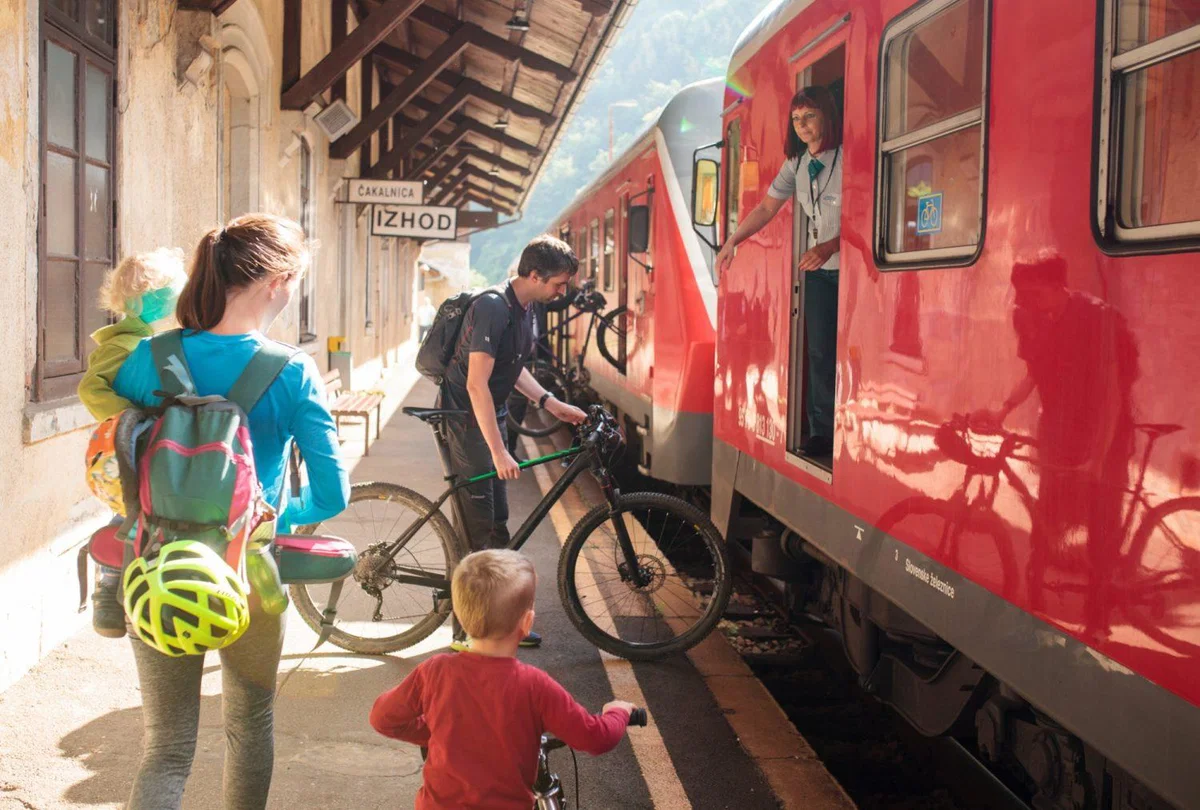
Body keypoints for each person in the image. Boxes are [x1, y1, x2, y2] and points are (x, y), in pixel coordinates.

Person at [112, 214, 351, 810]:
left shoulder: (150, 357)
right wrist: (271, 519)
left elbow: (116, 456)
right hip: (248, 577)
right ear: (276, 281)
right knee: (249, 727)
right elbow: (332, 494)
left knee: (165, 746)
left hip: (156, 569)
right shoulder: (292, 371)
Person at [369, 549, 638, 810]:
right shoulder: (534, 685)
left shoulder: (435, 671)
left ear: (460, 615)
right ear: (527, 623)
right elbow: (595, 738)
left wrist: (434, 734)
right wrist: (617, 713)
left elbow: (383, 718)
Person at [973, 254, 1138, 639]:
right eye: (1021, 297)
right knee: (1047, 515)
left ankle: (1097, 621)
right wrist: (1003, 411)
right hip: (1060, 432)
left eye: (1032, 295)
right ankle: (1035, 603)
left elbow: (1113, 394)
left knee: (1101, 524)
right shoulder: (1031, 316)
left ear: (1056, 287)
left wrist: (1097, 458)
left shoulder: (1099, 319)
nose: (1025, 305)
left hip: (1106, 435)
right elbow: (1034, 372)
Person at [437, 235, 588, 649]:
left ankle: (499, 624)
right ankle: (466, 631)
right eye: (558, 283)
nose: (562, 292)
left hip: (489, 417)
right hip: (466, 420)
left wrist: (550, 402)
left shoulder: (525, 309)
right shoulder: (491, 306)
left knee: (498, 526)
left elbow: (513, 368)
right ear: (534, 275)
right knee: (478, 529)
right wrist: (500, 450)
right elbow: (476, 384)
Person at [715, 85, 843, 458]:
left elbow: (866, 214)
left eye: (809, 117)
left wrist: (830, 245)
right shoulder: (798, 165)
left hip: (852, 270)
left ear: (826, 117)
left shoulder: (849, 157)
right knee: (819, 352)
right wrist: (733, 240)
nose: (802, 126)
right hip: (818, 274)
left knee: (847, 354)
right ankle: (822, 432)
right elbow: (766, 209)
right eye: (797, 119)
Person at [78, 247, 189, 639]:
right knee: (130, 513)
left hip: (138, 442)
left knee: (138, 511)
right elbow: (91, 388)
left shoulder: (146, 339)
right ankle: (107, 589)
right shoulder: (123, 344)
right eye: (167, 292)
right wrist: (129, 415)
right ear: (143, 299)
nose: (174, 298)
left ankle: (118, 589)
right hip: (127, 445)